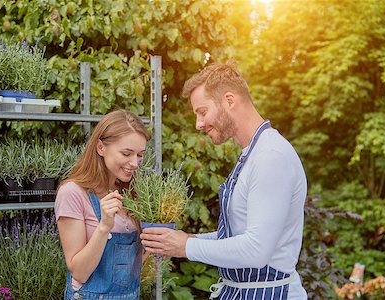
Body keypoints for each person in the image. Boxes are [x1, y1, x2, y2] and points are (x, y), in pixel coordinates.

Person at [140, 62, 308, 300]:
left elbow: (256, 250)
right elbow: (236, 237)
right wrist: (187, 239)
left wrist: (185, 247)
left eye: (202, 111)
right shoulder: (253, 153)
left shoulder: (271, 157)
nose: (198, 124)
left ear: (229, 100)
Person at [54, 109, 149, 300]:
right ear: (100, 147)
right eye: (126, 153)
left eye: (140, 155)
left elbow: (133, 270)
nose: (135, 163)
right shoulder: (72, 193)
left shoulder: (131, 193)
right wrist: (104, 226)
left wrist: (157, 245)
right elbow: (79, 272)